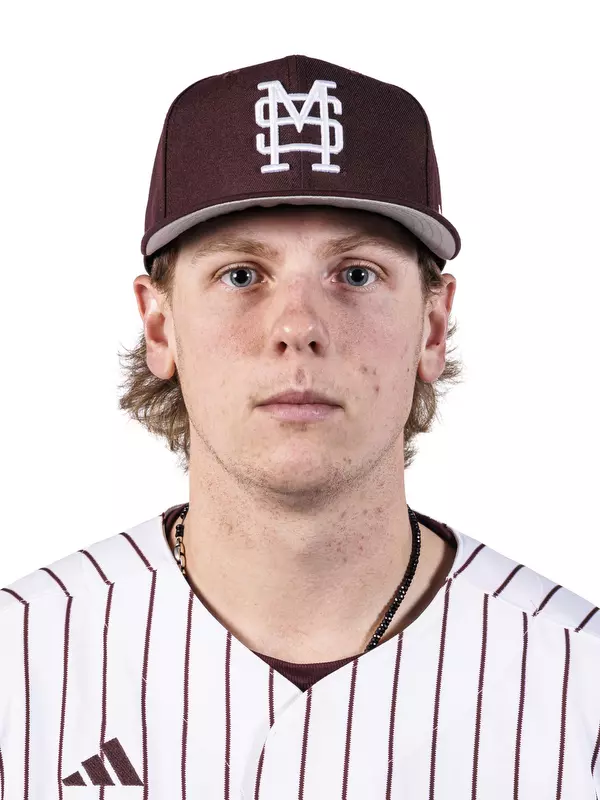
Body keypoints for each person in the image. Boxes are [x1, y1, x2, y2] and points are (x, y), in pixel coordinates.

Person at [1, 54, 598, 798]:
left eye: (355, 274)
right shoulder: (16, 670)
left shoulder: (582, 688)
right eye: (241, 275)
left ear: (433, 326)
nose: (297, 328)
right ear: (160, 325)